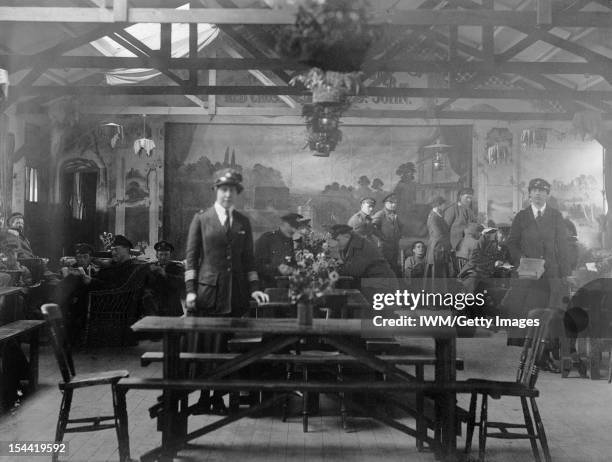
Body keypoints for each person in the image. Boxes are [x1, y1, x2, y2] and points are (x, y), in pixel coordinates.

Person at [185, 168, 268, 414]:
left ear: (237, 193)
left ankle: (219, 398)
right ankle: (203, 398)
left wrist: (254, 289)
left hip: (237, 295)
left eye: (232, 190)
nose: (228, 194)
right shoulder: (201, 218)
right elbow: (191, 258)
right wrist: (190, 290)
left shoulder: (243, 221)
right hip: (208, 293)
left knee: (225, 348)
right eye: (223, 190)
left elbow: (249, 260)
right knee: (207, 346)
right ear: (216, 191)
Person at [505, 178, 570, 370]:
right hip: (529, 273)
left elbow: (563, 246)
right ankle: (534, 356)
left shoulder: (556, 216)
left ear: (548, 195)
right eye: (535, 190)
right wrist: (522, 260)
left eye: (543, 191)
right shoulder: (522, 217)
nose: (539, 194)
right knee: (531, 313)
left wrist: (565, 272)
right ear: (529, 194)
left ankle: (545, 354)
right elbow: (511, 242)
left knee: (551, 314)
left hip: (551, 274)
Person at [328, 224, 397, 301]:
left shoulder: (360, 246)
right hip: (370, 282)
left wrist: (335, 269)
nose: (336, 243)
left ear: (347, 236)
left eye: (338, 240)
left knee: (342, 297)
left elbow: (353, 271)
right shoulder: (349, 244)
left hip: (382, 285)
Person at [54, 243, 99, 343]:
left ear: (91, 258)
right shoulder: (71, 268)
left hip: (86, 299)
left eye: (85, 257)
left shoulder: (95, 269)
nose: (82, 260)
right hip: (69, 298)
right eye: (79, 257)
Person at [255, 213, 302, 288]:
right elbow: (256, 265)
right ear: (283, 224)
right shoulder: (267, 238)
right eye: (292, 225)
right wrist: (277, 269)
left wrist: (293, 269)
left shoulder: (290, 242)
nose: (294, 229)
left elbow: (292, 263)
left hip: (284, 287)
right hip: (266, 288)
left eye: (296, 226)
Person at [146, 240, 185, 317]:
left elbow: (180, 283)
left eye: (166, 254)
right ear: (156, 255)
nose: (163, 257)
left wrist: (165, 274)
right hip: (155, 310)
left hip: (172, 310)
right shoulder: (151, 267)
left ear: (170, 255)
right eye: (161, 254)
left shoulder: (177, 267)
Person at [372, 193, 404, 276]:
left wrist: (399, 235)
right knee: (385, 268)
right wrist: (382, 237)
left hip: (395, 246)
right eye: (391, 202)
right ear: (385, 203)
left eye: (395, 203)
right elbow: (373, 227)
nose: (393, 205)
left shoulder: (395, 214)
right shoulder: (380, 214)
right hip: (384, 247)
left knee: (394, 267)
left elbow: (400, 226)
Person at [425, 196, 453, 283]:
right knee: (436, 271)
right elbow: (438, 235)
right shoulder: (433, 217)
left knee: (441, 270)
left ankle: (441, 292)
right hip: (437, 247)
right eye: (444, 204)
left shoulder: (438, 215)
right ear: (438, 205)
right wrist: (448, 245)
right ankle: (436, 293)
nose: (445, 206)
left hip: (440, 247)